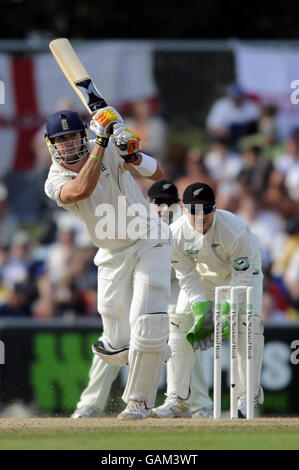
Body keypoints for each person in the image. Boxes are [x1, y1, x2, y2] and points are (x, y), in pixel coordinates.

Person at [44, 106, 171, 420]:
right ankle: (90, 404)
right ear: (51, 143)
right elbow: (81, 189)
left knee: (146, 323)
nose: (69, 144)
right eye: (62, 139)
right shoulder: (54, 179)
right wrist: (102, 142)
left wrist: (132, 153)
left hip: (148, 239)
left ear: (83, 135)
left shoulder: (107, 145)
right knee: (114, 342)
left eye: (74, 136)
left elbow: (158, 175)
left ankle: (138, 403)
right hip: (111, 254)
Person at [71, 180, 212, 418]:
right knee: (115, 341)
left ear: (178, 205)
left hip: (176, 286)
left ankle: (199, 405)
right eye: (159, 203)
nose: (164, 209)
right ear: (148, 203)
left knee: (181, 334)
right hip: (142, 287)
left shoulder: (183, 227)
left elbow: (194, 268)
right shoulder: (136, 223)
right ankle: (90, 404)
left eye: (169, 203)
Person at [152, 182, 264, 419]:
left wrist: (225, 312)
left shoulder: (234, 231)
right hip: (203, 279)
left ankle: (247, 397)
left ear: (215, 207)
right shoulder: (177, 234)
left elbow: (241, 275)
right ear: (183, 208)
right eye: (194, 210)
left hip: (244, 276)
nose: (200, 216)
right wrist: (201, 306)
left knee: (246, 327)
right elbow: (187, 274)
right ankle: (179, 400)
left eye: (205, 210)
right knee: (178, 324)